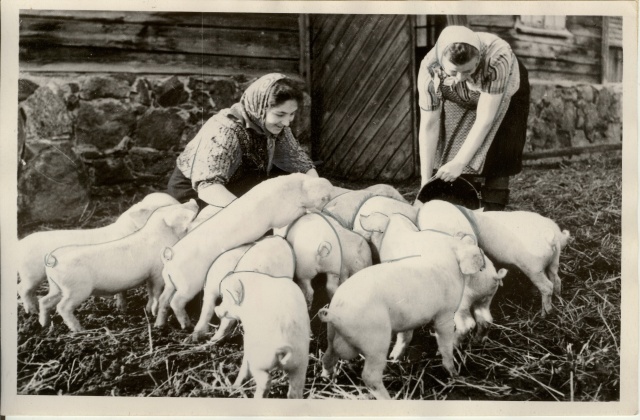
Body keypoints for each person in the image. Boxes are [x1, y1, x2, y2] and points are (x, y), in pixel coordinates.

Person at [416, 25, 530, 210]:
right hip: (460, 95)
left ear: (478, 59)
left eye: (468, 71)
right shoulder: (429, 68)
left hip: (505, 88)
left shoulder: (497, 57)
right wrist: (425, 185)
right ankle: (464, 198)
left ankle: (494, 204)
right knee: (454, 138)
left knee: (500, 142)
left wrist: (460, 162)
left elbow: (486, 119)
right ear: (442, 62)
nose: (461, 78)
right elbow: (429, 124)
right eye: (453, 72)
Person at [167, 73, 319, 208]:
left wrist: (318, 194)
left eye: (291, 114)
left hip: (233, 185)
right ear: (259, 107)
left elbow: (300, 163)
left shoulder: (275, 128)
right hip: (197, 195)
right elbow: (208, 186)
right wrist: (249, 215)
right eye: (280, 114)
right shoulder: (224, 130)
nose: (287, 122)